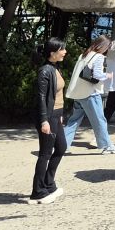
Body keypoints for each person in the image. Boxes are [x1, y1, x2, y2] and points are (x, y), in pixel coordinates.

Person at [30, 37, 69, 206]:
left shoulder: (55, 68)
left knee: (61, 147)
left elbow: (57, 95)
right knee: (45, 153)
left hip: (56, 115)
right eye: (62, 49)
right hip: (47, 116)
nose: (65, 52)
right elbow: (40, 98)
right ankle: (38, 192)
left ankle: (49, 183)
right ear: (53, 53)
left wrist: (60, 114)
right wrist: (44, 120)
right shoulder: (45, 71)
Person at [64, 36, 115, 154]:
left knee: (73, 121)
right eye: (108, 47)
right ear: (104, 46)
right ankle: (106, 146)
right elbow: (97, 75)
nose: (108, 50)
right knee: (99, 121)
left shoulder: (83, 55)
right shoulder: (98, 57)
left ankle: (62, 145)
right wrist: (108, 75)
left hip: (78, 93)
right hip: (90, 94)